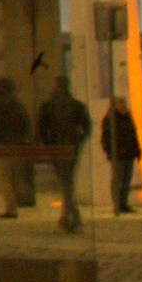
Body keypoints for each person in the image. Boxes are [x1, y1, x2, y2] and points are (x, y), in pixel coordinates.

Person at [33, 73, 91, 233]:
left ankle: (71, 215)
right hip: (70, 147)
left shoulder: (49, 106)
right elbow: (86, 127)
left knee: (66, 182)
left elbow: (41, 128)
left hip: (58, 147)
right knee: (68, 181)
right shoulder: (76, 105)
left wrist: (45, 143)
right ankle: (71, 214)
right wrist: (78, 139)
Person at [0, 73, 37, 218]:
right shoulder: (17, 105)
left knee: (5, 179)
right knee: (16, 176)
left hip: (1, 147)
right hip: (17, 145)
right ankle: (21, 200)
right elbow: (26, 124)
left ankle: (11, 208)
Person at [98, 90, 142, 216]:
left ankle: (124, 203)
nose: (123, 106)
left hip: (129, 154)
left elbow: (134, 136)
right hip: (118, 156)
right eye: (120, 103)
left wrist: (137, 151)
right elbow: (106, 138)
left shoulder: (128, 117)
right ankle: (117, 204)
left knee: (127, 180)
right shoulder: (110, 119)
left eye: (124, 103)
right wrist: (111, 153)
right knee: (118, 180)